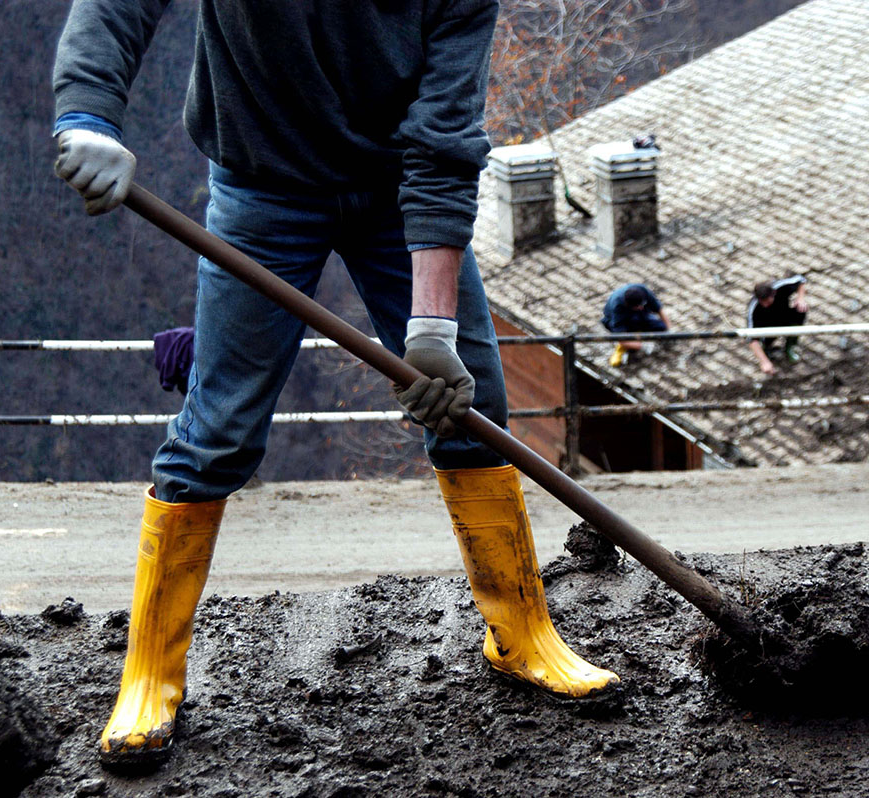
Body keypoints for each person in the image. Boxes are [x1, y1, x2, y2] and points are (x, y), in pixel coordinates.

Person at [52, 0, 618, 768]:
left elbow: (445, 139)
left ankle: (522, 634)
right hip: (263, 190)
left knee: (470, 401)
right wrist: (87, 114)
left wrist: (433, 329)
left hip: (396, 193)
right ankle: (151, 673)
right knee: (216, 431)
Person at [747, 275, 809, 376]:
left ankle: (790, 346)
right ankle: (766, 351)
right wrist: (764, 362)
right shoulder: (753, 308)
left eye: (767, 301)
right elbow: (751, 338)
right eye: (762, 302)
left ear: (773, 294)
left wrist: (800, 298)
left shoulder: (781, 287)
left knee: (801, 310)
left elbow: (800, 280)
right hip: (768, 327)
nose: (765, 305)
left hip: (784, 316)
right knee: (764, 342)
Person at [600, 283, 671, 367]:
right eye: (638, 306)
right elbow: (620, 338)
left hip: (639, 315)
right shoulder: (617, 308)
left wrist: (669, 330)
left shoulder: (642, 290)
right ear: (628, 305)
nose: (641, 307)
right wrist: (642, 346)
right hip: (622, 321)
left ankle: (638, 330)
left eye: (642, 305)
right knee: (631, 347)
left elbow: (659, 309)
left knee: (660, 327)